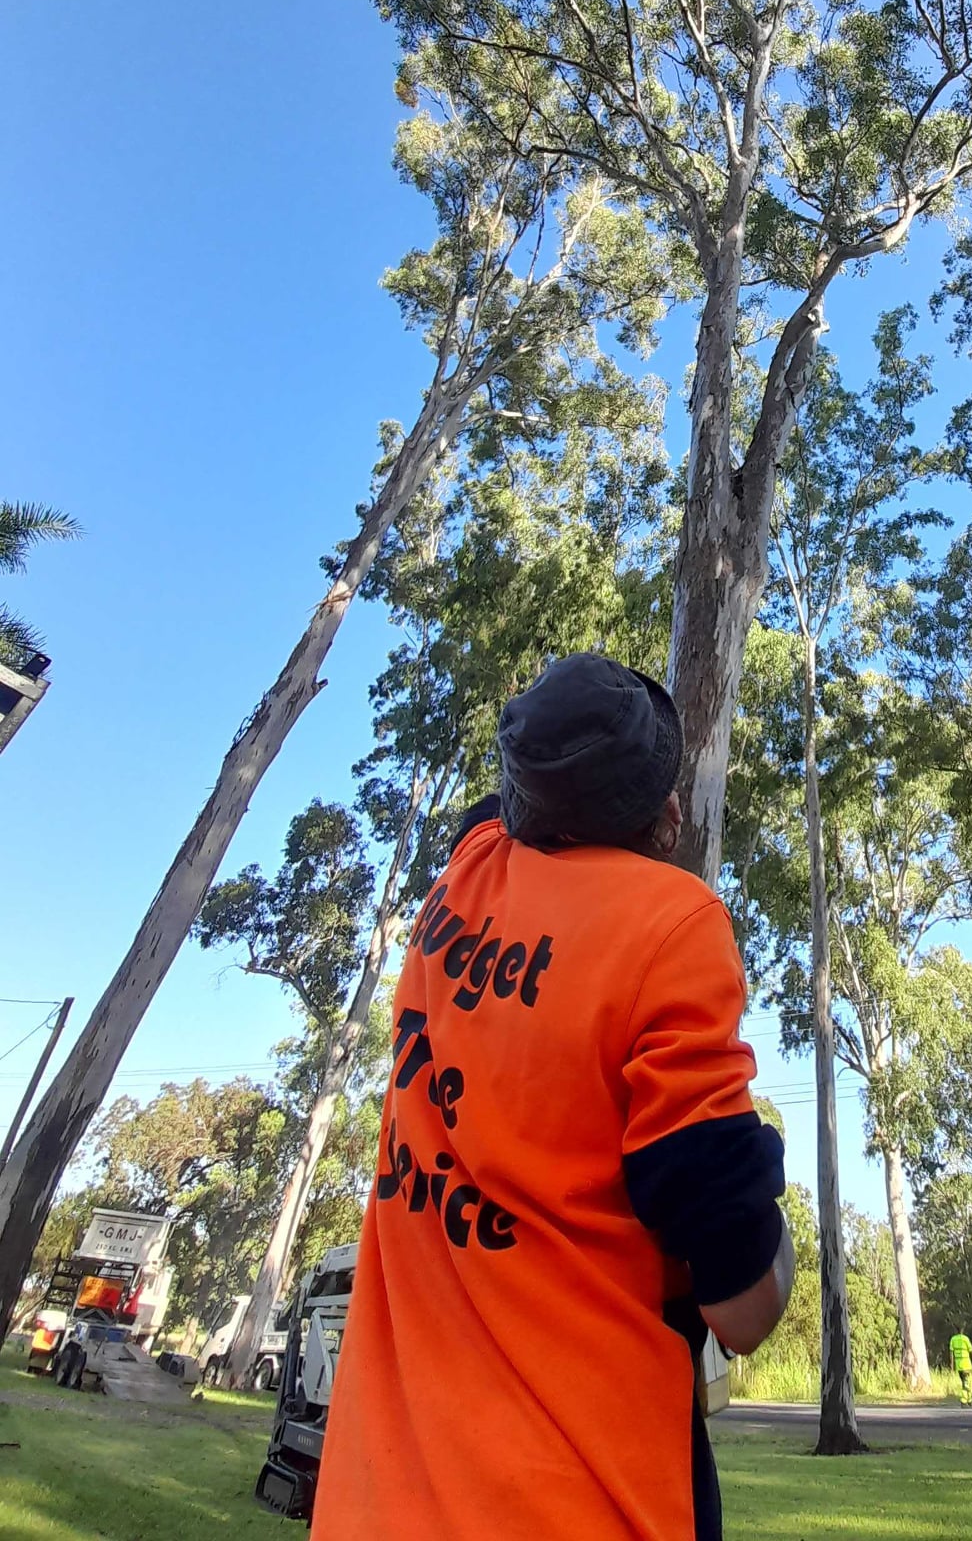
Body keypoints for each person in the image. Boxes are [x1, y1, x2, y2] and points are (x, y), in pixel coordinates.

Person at [313, 654, 794, 1541]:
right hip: (578, 1496)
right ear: (667, 814)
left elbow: (493, 815)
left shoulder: (462, 877)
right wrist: (771, 1228)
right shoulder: (673, 923)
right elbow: (743, 1304)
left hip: (373, 1504)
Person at [948, 1327, 972, 1403]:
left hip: (959, 1365)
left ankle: (965, 1399)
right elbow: (971, 1351)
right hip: (966, 1364)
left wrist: (952, 1365)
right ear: (962, 1330)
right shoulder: (965, 1339)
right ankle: (969, 1398)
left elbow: (951, 1353)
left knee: (964, 1381)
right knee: (965, 1381)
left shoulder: (953, 1339)